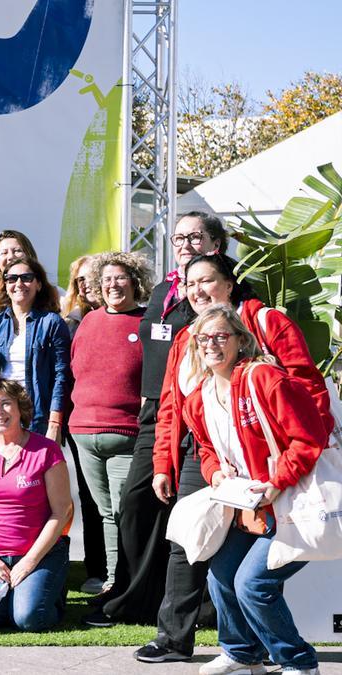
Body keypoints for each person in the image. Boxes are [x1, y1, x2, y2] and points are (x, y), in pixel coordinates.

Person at [126, 251, 329, 662]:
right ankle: (198, 643)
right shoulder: (189, 339)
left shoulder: (264, 326)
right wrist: (165, 462)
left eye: (207, 280)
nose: (198, 290)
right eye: (190, 284)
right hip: (215, 461)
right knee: (195, 546)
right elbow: (171, 405)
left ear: (230, 283)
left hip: (272, 463)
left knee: (258, 569)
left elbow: (309, 393)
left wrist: (292, 468)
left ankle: (278, 653)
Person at [181, 305, 325, 675]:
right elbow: (207, 452)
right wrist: (215, 475)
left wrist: (277, 484)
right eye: (203, 338)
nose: (211, 344)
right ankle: (242, 653)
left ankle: (299, 662)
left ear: (240, 341)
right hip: (249, 508)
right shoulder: (199, 397)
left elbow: (309, 438)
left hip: (290, 503)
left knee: (253, 584)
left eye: (220, 336)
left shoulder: (263, 378)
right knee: (221, 577)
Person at [100, 211, 225, 635]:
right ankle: (137, 598)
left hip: (205, 410)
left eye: (195, 236)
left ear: (215, 245)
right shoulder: (164, 290)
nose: (185, 243)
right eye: (178, 237)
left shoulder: (223, 294)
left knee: (194, 510)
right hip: (157, 409)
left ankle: (205, 609)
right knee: (136, 503)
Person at [68, 252, 151, 597]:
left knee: (124, 511)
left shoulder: (147, 323)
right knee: (105, 513)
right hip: (84, 433)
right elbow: (77, 368)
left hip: (127, 434)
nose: (113, 285)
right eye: (106, 280)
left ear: (134, 281)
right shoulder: (88, 322)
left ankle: (127, 582)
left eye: (120, 278)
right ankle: (114, 580)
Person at [0, 376, 73, 632]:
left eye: (6, 404)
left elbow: (61, 511)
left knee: (28, 619)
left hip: (39, 554)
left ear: (20, 408)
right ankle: (22, 594)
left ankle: (52, 591)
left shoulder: (46, 451)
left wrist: (30, 561)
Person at [0, 257, 69, 443]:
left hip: (37, 417)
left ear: (38, 284)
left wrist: (54, 423)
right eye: (12, 278)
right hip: (0, 417)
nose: (19, 283)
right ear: (5, 285)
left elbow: (61, 375)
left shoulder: (52, 323)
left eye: (26, 277)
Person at [59, 252, 109, 593]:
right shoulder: (70, 324)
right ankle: (97, 567)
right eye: (81, 280)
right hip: (81, 420)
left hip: (120, 422)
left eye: (95, 278)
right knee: (91, 497)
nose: (87, 285)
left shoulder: (127, 316)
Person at [60, 254, 100, 333]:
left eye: (92, 277)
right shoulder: (71, 322)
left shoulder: (120, 315)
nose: (88, 284)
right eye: (81, 279)